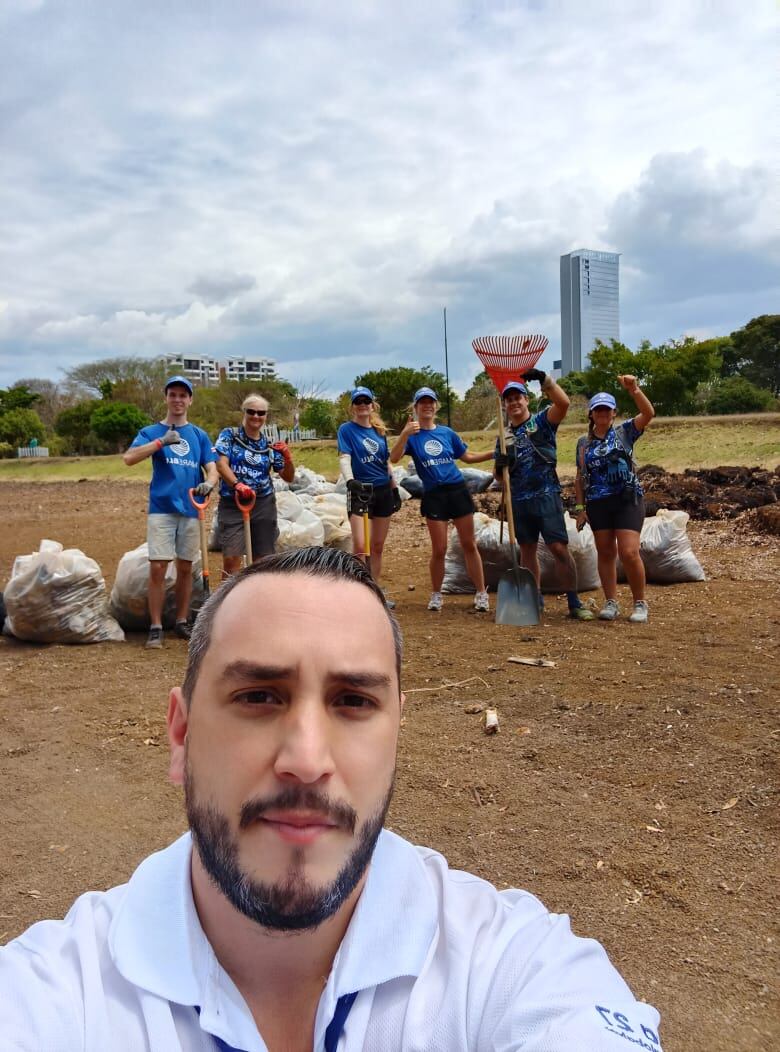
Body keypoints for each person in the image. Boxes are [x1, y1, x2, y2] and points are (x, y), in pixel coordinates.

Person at [0, 547, 664, 1051]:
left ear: (397, 734)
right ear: (180, 735)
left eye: (353, 702)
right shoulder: (51, 994)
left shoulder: (512, 968)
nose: (306, 762)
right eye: (259, 697)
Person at [123, 376, 218, 649]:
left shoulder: (198, 435)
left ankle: (180, 621)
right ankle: (155, 626)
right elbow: (129, 458)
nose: (178, 400)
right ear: (166, 398)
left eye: (183, 395)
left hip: (190, 508)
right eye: (173, 394)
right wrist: (161, 443)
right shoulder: (151, 431)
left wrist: (209, 483)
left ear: (190, 400)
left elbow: (211, 467)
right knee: (158, 567)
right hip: (161, 508)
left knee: (186, 568)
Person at [493, 371, 594, 621]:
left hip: (547, 494)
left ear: (526, 400)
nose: (514, 402)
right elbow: (498, 476)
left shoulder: (543, 421)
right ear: (505, 405)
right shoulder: (503, 437)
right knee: (527, 551)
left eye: (518, 397)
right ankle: (533, 599)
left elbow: (564, 403)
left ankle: (573, 601)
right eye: (509, 399)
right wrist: (500, 465)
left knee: (558, 548)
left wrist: (545, 380)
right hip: (519, 499)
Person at [390, 387, 494, 613]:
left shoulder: (447, 433)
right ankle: (436, 594)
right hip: (434, 494)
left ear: (436, 406)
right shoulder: (413, 436)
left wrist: (492, 454)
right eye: (422, 403)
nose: (427, 406)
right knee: (440, 548)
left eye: (431, 402)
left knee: (469, 544)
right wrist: (405, 433)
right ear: (416, 408)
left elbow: (466, 456)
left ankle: (481, 593)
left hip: (457, 490)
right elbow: (394, 457)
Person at [574, 376, 656, 623]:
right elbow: (580, 477)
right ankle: (610, 602)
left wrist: (634, 390)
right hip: (598, 503)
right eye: (597, 409)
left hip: (626, 499)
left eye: (606, 409)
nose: (602, 413)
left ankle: (640, 603)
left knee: (629, 552)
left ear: (613, 413)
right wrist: (580, 508)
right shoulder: (583, 443)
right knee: (606, 552)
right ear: (591, 414)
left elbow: (648, 413)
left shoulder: (625, 431)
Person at [214, 393, 295, 577]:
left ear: (266, 416)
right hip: (233, 502)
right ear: (244, 412)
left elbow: (288, 477)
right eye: (251, 412)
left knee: (263, 561)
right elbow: (220, 463)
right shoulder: (230, 436)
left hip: (263, 504)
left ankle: (258, 601)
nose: (256, 417)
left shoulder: (268, 446)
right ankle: (230, 601)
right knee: (232, 560)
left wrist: (288, 458)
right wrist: (237, 485)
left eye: (261, 413)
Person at [337, 386, 401, 601]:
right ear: (353, 407)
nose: (362, 404)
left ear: (372, 405)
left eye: (366, 401)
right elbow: (344, 457)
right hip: (360, 491)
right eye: (358, 401)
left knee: (377, 546)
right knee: (360, 546)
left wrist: (395, 489)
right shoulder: (346, 430)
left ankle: (374, 591)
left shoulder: (379, 432)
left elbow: (386, 463)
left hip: (382, 490)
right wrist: (350, 481)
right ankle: (358, 592)